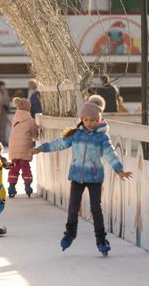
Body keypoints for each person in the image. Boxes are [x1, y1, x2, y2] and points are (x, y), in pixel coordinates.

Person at [29, 95, 132, 255]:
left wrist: (119, 170)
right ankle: (70, 234)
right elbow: (59, 143)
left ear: (98, 119)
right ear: (82, 119)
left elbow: (110, 153)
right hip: (77, 176)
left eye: (92, 120)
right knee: (72, 207)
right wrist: (39, 149)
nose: (89, 123)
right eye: (85, 120)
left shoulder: (102, 137)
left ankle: (101, 240)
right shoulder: (76, 134)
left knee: (96, 209)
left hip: (94, 177)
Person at [7, 97, 39, 198]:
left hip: (13, 147)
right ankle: (28, 187)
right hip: (24, 147)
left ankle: (11, 187)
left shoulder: (15, 118)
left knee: (14, 168)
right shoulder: (30, 120)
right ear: (28, 108)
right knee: (25, 167)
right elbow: (35, 136)